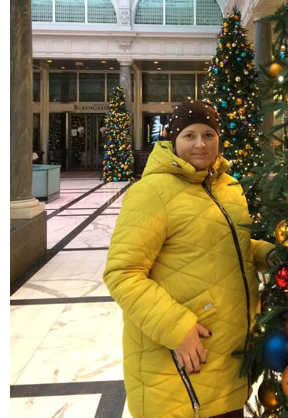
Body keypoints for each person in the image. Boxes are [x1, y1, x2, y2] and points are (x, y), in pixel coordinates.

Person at [103, 100, 275, 418]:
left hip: (228, 358)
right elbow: (122, 273)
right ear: (172, 139)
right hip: (180, 363)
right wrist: (177, 328)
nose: (200, 144)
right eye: (189, 135)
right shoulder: (151, 192)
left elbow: (226, 243)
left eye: (208, 135)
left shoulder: (229, 187)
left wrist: (268, 254)